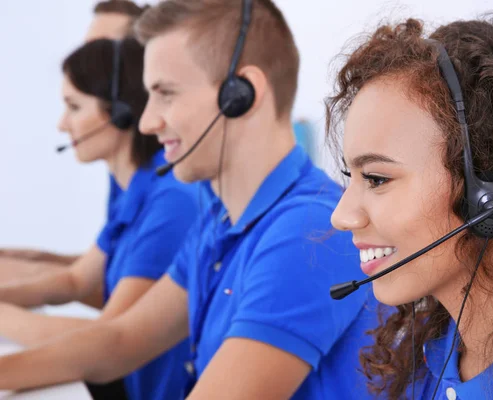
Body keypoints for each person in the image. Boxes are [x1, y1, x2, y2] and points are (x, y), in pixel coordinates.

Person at [0, 1, 375, 399]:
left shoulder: (309, 234)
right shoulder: (221, 219)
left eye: (165, 94)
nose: (146, 122)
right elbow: (122, 339)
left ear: (241, 94)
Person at [327, 15, 493, 399]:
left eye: (376, 179)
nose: (342, 215)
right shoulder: (429, 361)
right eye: (349, 177)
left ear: (489, 192)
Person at [0, 38, 198, 400]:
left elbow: (109, 336)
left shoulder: (171, 201)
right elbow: (76, 279)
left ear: (121, 112)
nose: (62, 124)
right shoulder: (135, 187)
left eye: (73, 107)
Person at [0, 0, 149, 279]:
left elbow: (130, 317)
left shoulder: (168, 184)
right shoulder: (129, 175)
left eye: (103, 50)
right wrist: (35, 261)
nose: (89, 60)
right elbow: (110, 276)